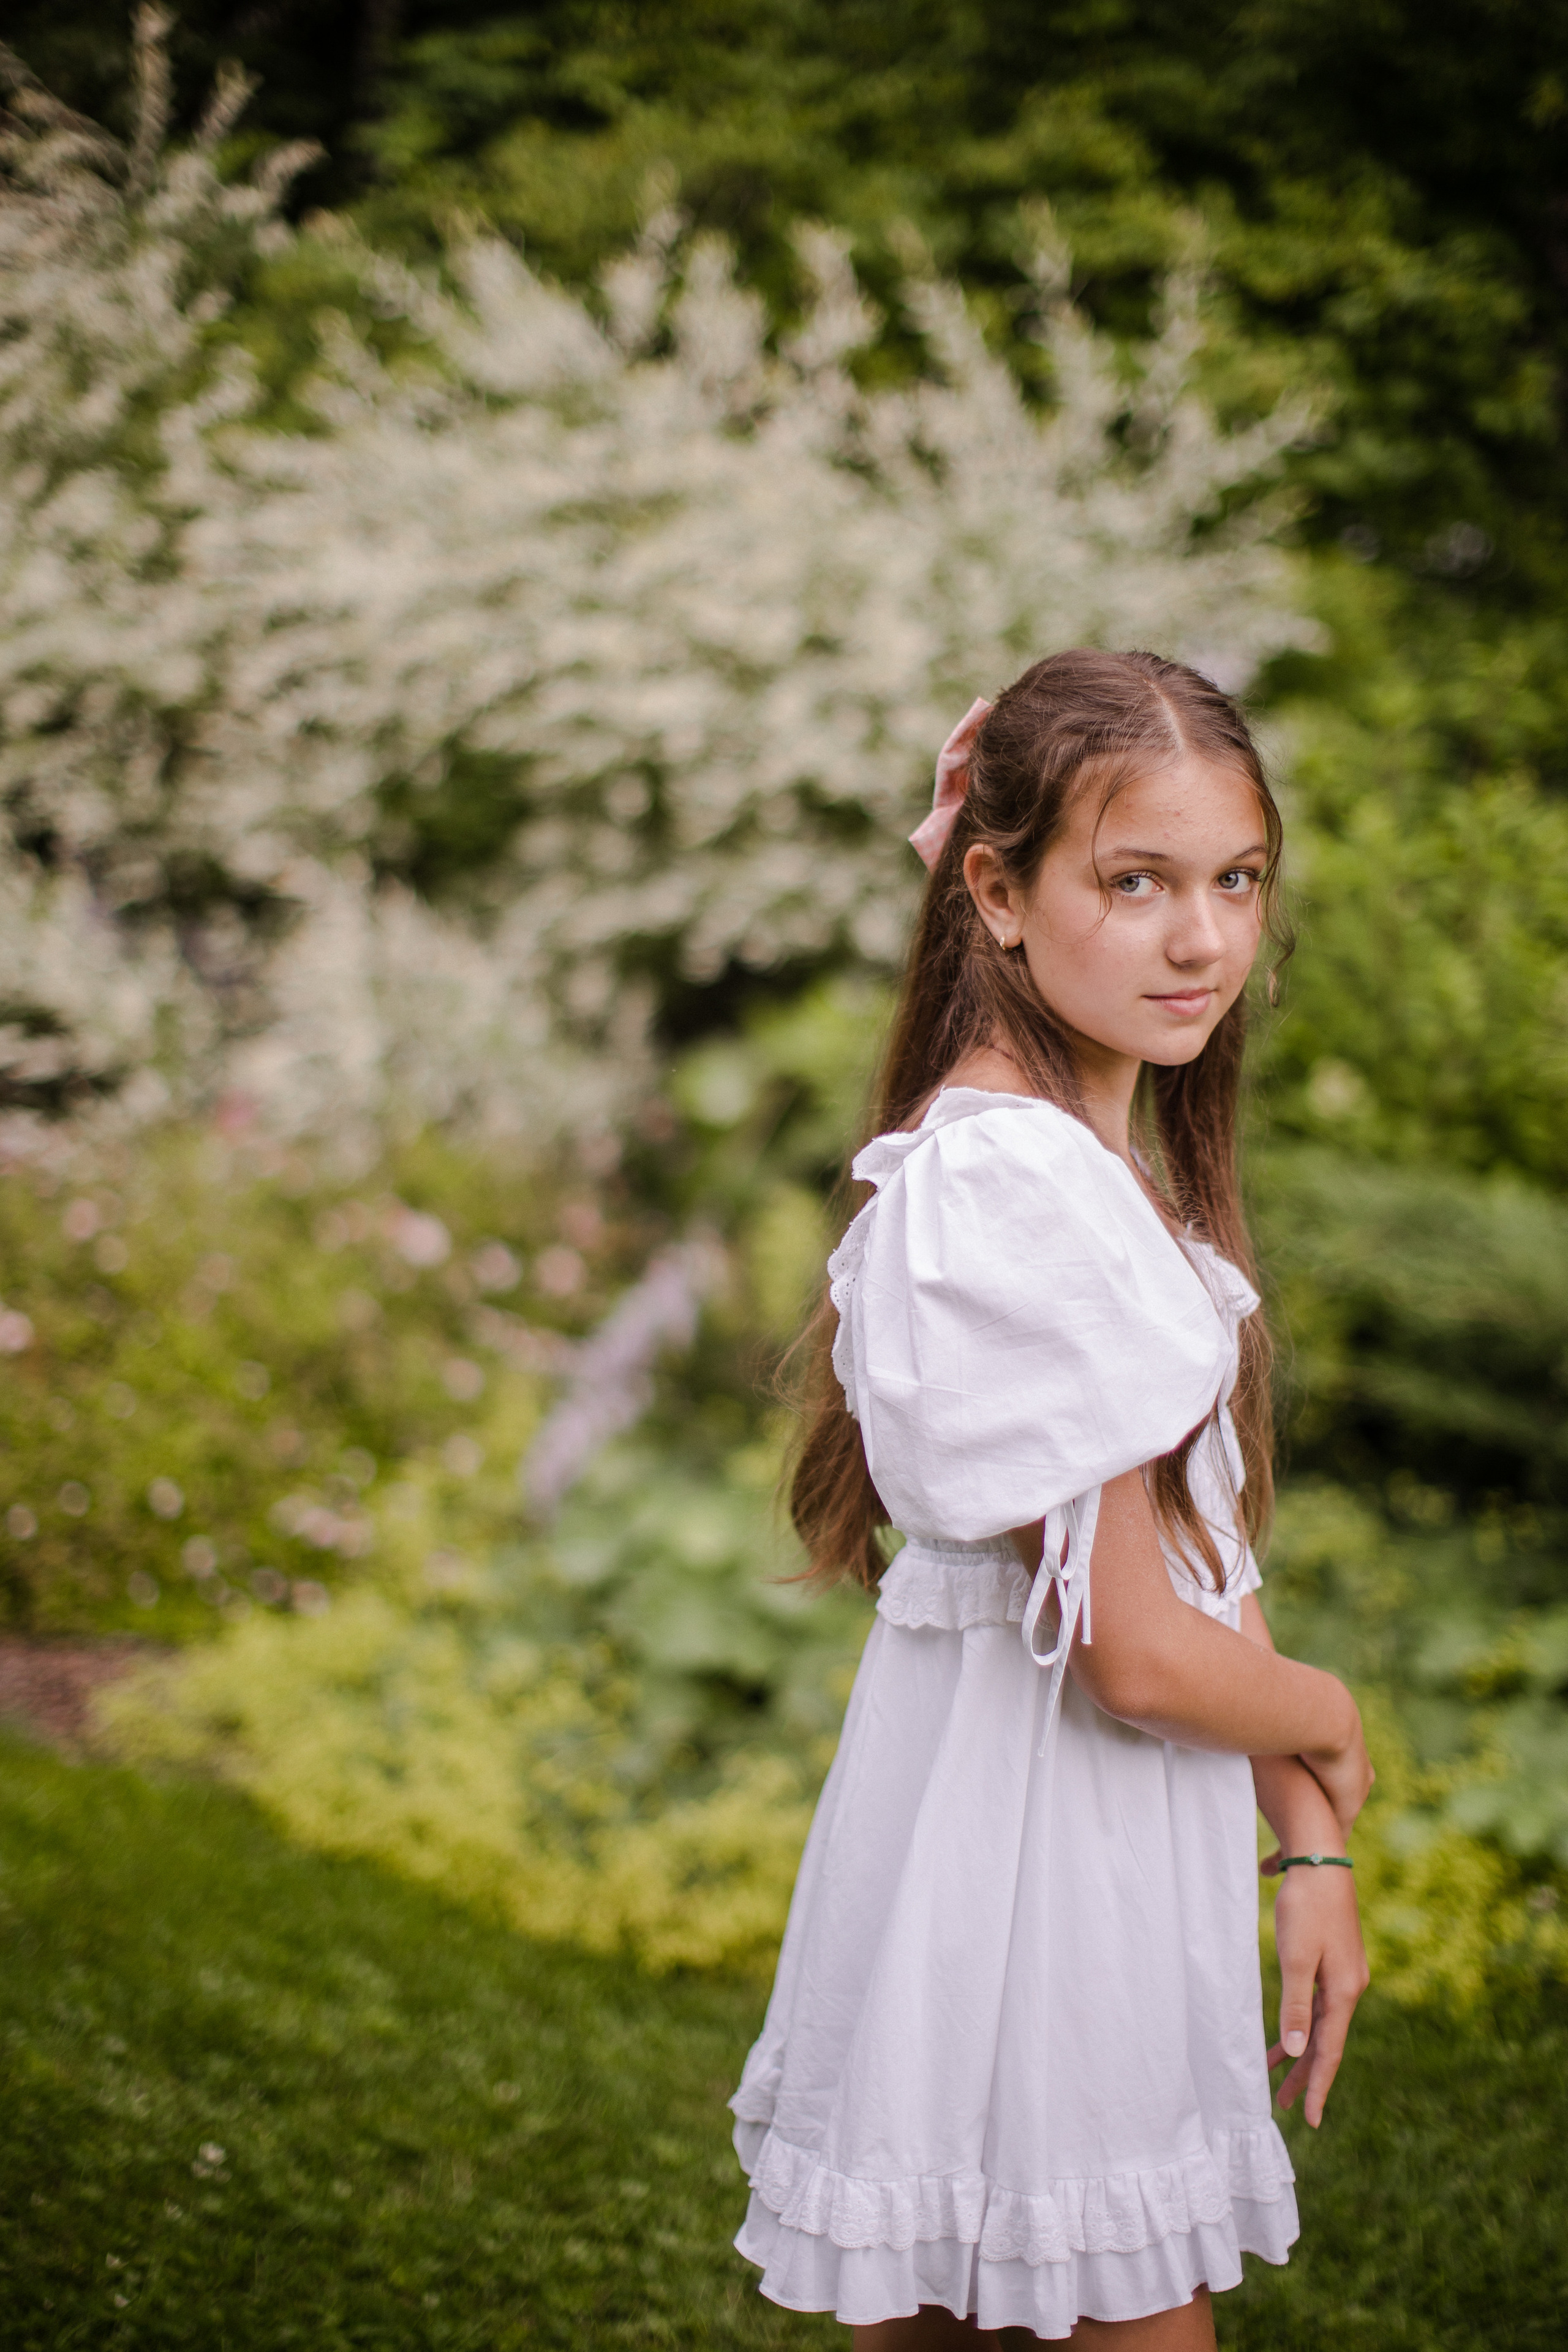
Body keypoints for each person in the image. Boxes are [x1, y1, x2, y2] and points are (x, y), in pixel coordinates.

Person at [729, 649, 1373, 2346]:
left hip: (1036, 1846)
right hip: (1044, 1867)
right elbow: (1142, 1658)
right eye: (1137, 881)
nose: (1203, 940)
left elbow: (1192, 1540)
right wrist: (1329, 1714)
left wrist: (1309, 1842)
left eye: (1236, 880)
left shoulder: (1077, 1168)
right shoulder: (1014, 1187)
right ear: (999, 895)